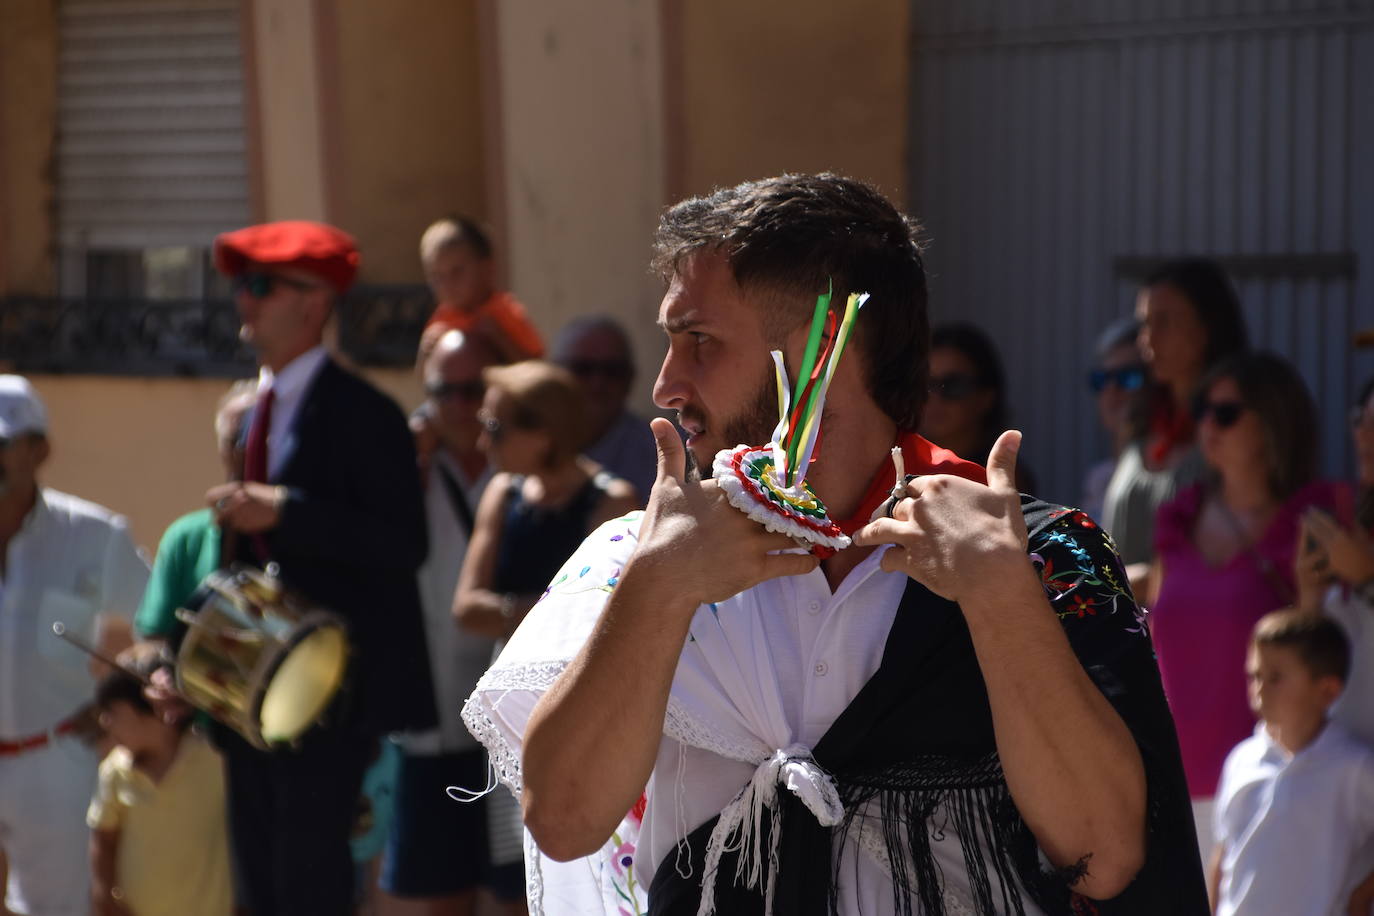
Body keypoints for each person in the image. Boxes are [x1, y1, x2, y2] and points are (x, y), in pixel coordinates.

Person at [462, 174, 1206, 915]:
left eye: (700, 343)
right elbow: (561, 823)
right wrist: (658, 588)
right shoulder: (636, 555)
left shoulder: (1036, 555)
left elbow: (1106, 858)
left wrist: (999, 598)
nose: (664, 384)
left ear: (819, 352)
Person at [204, 219, 436, 915]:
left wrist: (287, 510)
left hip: (330, 692)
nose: (244, 301)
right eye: (243, 286)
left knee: (309, 884)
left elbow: (404, 544)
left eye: (261, 286)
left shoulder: (365, 412)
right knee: (256, 881)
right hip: (253, 684)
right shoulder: (253, 410)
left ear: (314, 303)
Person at [1148, 351, 1349, 857]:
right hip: (1164, 780)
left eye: (1227, 413)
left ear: (1273, 422)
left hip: (1267, 781)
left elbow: (1323, 649)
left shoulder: (1312, 523)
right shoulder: (1179, 517)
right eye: (1202, 409)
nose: (1207, 424)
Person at [380, 328, 523, 916]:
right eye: (446, 391)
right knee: (438, 899)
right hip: (431, 722)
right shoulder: (403, 465)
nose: (461, 406)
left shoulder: (526, 468)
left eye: (474, 390)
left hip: (512, 730)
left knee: (518, 898)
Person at [0, 375, 149, 916]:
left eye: (3, 445)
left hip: (56, 757)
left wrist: (114, 705)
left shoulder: (93, 534)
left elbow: (157, 628)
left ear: (39, 450)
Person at [1209, 610, 1374, 916]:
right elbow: (1223, 856)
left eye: (1275, 678)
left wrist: (1362, 897)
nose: (1260, 689)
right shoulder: (1241, 760)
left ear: (1326, 690)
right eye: (1255, 675)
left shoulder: (1354, 768)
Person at [1103, 258, 1249, 571]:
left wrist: (1141, 583)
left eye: (1165, 322)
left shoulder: (1233, 423)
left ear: (1208, 328)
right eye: (1144, 323)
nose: (1148, 340)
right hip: (1122, 615)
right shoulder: (1137, 421)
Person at [87, 650, 231, 916]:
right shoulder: (115, 771)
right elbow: (103, 840)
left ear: (153, 706)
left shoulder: (215, 760)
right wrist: (104, 894)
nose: (104, 721)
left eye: (112, 711)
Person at [134, 381, 256, 641]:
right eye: (236, 439)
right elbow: (153, 639)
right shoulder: (187, 537)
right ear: (221, 446)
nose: (245, 450)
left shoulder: (302, 533)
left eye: (257, 438)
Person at [1296, 374, 1374, 747]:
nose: (1364, 435)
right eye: (1360, 419)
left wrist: (1368, 580)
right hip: (1342, 780)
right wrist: (1309, 602)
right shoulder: (1348, 525)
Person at [552, 315, 658, 502]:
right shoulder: (529, 441)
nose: (597, 383)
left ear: (630, 378)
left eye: (612, 371)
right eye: (583, 369)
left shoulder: (660, 452)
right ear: (554, 374)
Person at [920, 321, 1036, 492]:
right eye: (925, 384)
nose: (935, 398)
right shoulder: (895, 464)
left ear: (986, 397)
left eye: (953, 385)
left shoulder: (1004, 480)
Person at [420, 216, 544, 364]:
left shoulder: (506, 312)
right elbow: (428, 380)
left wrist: (499, 338)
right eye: (437, 276)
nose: (447, 284)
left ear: (486, 268)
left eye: (457, 271)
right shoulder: (441, 321)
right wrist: (424, 353)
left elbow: (536, 367)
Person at [1082, 318, 1146, 522]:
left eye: (1128, 377)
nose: (1111, 389)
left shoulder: (1169, 477)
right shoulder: (1098, 478)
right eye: (1102, 379)